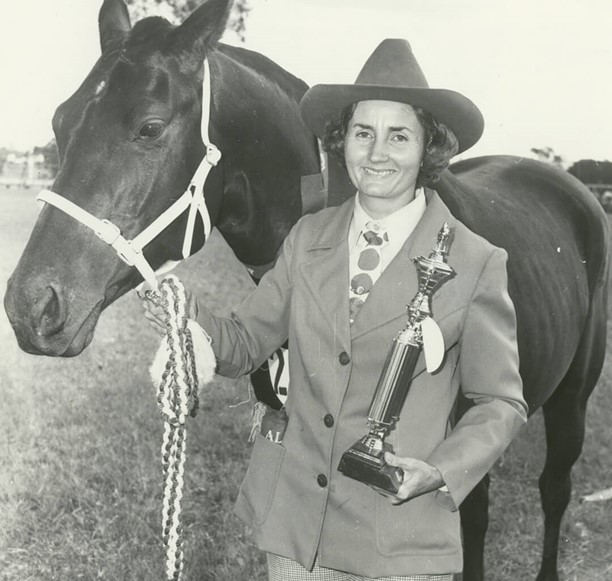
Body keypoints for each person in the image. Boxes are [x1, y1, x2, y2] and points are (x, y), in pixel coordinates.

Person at [144, 39, 528, 581]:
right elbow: (246, 342)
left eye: (399, 136)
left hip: (396, 544)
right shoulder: (307, 237)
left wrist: (439, 471)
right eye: (363, 132)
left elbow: (501, 402)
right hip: (295, 533)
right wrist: (189, 319)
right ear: (341, 140)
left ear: (429, 148)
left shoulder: (475, 261)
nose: (377, 153)